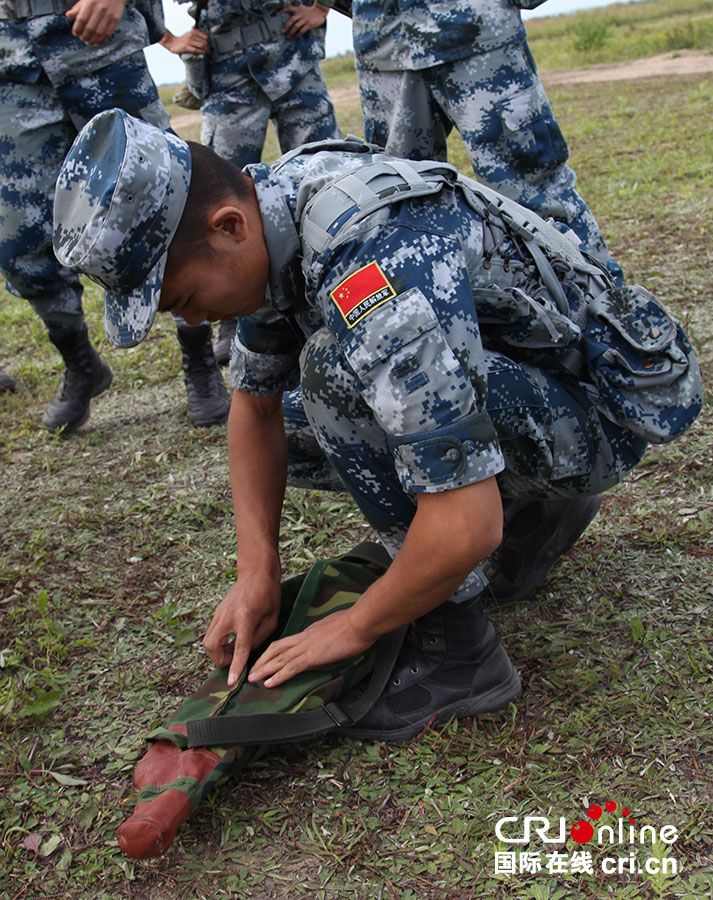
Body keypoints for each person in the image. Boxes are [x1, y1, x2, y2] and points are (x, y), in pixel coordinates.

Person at [53, 110, 701, 742]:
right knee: (303, 427)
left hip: (592, 420)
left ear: (227, 227)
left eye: (186, 299)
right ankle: (537, 518)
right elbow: (254, 407)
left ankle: (460, 654)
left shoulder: (368, 253)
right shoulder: (270, 210)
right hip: (534, 394)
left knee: (335, 376)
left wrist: (356, 626)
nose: (193, 321)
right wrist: (257, 568)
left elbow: (465, 522)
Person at [0, 0, 229, 432]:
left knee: (167, 203)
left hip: (96, 44)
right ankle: (81, 363)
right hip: (12, 66)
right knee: (17, 244)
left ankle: (199, 363)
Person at [350, 0, 623, 285]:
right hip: (385, 48)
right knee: (402, 206)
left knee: (534, 195)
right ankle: (449, 321)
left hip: (476, 32)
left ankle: (607, 312)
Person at [161, 0, 342, 365]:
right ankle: (237, 313)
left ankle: (334, 295)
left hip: (292, 54)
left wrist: (323, 7)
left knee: (328, 186)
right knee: (220, 192)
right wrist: (167, 39)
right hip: (226, 70)